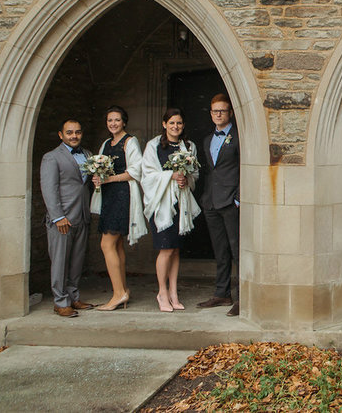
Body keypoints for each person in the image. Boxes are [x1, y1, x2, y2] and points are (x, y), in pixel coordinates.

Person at [141, 108, 201, 313]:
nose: (176, 126)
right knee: (165, 248)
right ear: (164, 124)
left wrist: (186, 179)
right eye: (172, 123)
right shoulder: (153, 145)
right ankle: (162, 292)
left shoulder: (189, 146)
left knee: (175, 249)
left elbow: (195, 174)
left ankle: (174, 292)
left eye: (179, 123)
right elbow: (147, 175)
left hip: (180, 203)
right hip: (162, 204)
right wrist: (171, 176)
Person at [92, 106, 147, 311]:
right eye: (109, 120)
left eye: (117, 120)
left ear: (124, 122)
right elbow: (99, 167)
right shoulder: (106, 143)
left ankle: (118, 294)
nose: (113, 123)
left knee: (106, 245)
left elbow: (135, 171)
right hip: (108, 196)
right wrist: (98, 178)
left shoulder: (129, 142)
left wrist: (109, 179)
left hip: (122, 196)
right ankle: (123, 290)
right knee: (116, 246)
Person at [39, 118, 95, 317]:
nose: (74, 136)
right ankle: (60, 301)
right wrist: (57, 217)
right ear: (61, 135)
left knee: (77, 260)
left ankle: (73, 296)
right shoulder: (51, 157)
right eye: (70, 132)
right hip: (62, 218)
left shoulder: (88, 154)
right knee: (60, 261)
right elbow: (49, 189)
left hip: (81, 215)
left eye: (78, 132)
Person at [197, 94, 241, 317]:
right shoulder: (207, 139)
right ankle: (222, 293)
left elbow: (246, 167)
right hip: (212, 201)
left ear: (230, 113)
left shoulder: (238, 137)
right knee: (220, 250)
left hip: (230, 201)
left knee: (237, 251)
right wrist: (207, 198)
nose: (218, 115)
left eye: (222, 111)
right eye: (215, 111)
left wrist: (238, 198)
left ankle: (242, 297)